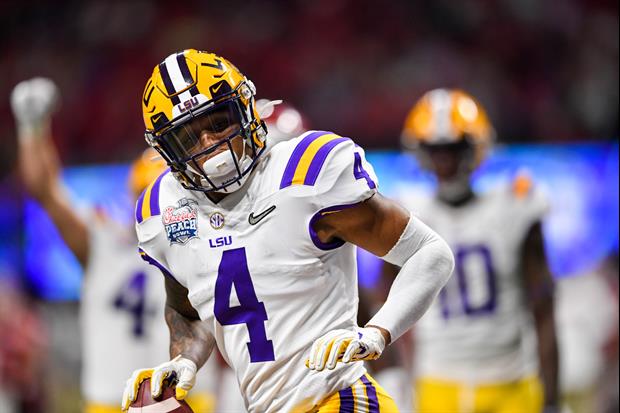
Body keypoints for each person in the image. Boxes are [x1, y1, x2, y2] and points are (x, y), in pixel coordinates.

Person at [120, 49, 455, 413]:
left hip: (340, 399)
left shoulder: (303, 173)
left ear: (247, 109)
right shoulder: (164, 210)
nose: (209, 144)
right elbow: (185, 309)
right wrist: (184, 359)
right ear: (165, 150)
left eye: (218, 122)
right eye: (187, 138)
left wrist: (378, 331)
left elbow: (429, 253)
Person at [11, 78, 216, 413]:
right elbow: (43, 190)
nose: (162, 208)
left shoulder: (205, 237)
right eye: (151, 197)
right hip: (118, 400)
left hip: (186, 396)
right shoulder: (104, 242)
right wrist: (32, 126)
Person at [389, 88, 559, 412]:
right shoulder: (408, 212)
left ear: (476, 147)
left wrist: (551, 399)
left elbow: (544, 307)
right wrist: (397, 381)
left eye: (454, 148)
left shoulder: (516, 205)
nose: (445, 160)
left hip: (512, 380)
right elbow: (386, 304)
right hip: (438, 382)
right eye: (435, 149)